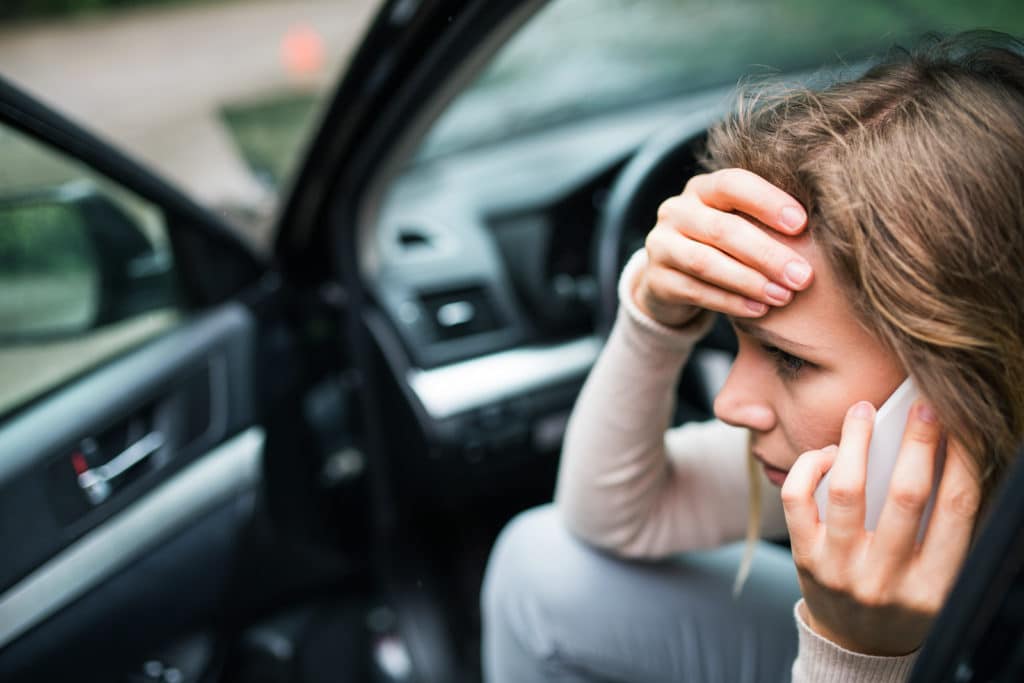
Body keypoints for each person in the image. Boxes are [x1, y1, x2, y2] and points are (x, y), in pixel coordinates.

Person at [481, 31, 1024, 682]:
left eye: (791, 360)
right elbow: (616, 516)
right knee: (542, 564)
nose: (728, 402)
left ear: (969, 374)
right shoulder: (872, 464)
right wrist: (653, 313)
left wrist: (851, 660)